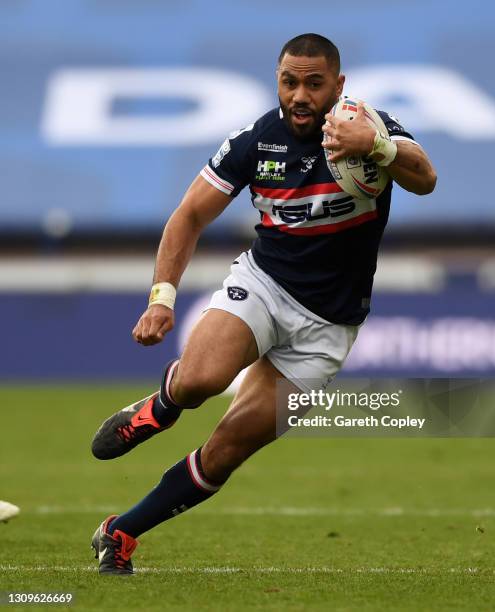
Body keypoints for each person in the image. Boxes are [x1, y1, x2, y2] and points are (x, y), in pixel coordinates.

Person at [90, 33, 436, 574]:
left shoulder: (369, 128)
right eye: (289, 81)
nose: (300, 95)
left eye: (314, 84)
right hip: (264, 286)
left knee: (226, 452)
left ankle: (122, 531)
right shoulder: (256, 139)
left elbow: (426, 177)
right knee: (201, 379)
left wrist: (379, 147)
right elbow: (188, 216)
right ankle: (162, 405)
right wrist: (162, 297)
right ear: (278, 79)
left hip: (330, 326)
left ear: (338, 86)